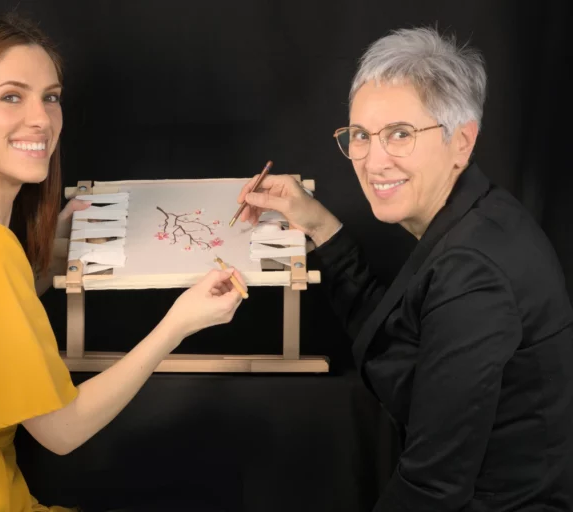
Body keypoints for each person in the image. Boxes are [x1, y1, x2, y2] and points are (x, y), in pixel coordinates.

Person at [0, 13, 247, 512]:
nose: (41, 118)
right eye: (12, 96)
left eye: (50, 97)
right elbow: (61, 429)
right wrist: (177, 324)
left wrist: (44, 274)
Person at [237, 27, 573, 511]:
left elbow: (433, 488)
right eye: (360, 136)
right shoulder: (480, 215)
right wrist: (317, 222)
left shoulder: (474, 273)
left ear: (461, 142)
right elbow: (399, 349)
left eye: (400, 134)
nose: (373, 162)